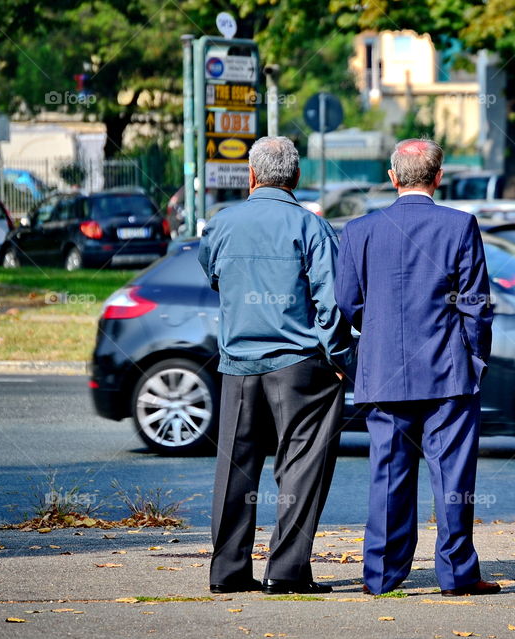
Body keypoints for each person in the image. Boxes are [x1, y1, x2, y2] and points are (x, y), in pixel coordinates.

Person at [335, 139, 499, 596]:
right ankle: (457, 576)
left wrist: (381, 332)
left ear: (393, 177)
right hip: (448, 374)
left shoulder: (359, 230)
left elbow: (347, 302)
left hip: (382, 372)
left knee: (388, 477)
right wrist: (475, 360)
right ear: (438, 175)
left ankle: (382, 576)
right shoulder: (460, 225)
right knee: (452, 481)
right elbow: (476, 305)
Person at [198, 136, 352, 594]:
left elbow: (212, 276)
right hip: (300, 366)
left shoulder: (223, 223)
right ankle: (285, 571)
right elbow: (332, 304)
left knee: (235, 469)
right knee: (302, 469)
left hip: (238, 364)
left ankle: (227, 571)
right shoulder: (312, 228)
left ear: (251, 174)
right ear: (296, 177)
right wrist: (341, 358)